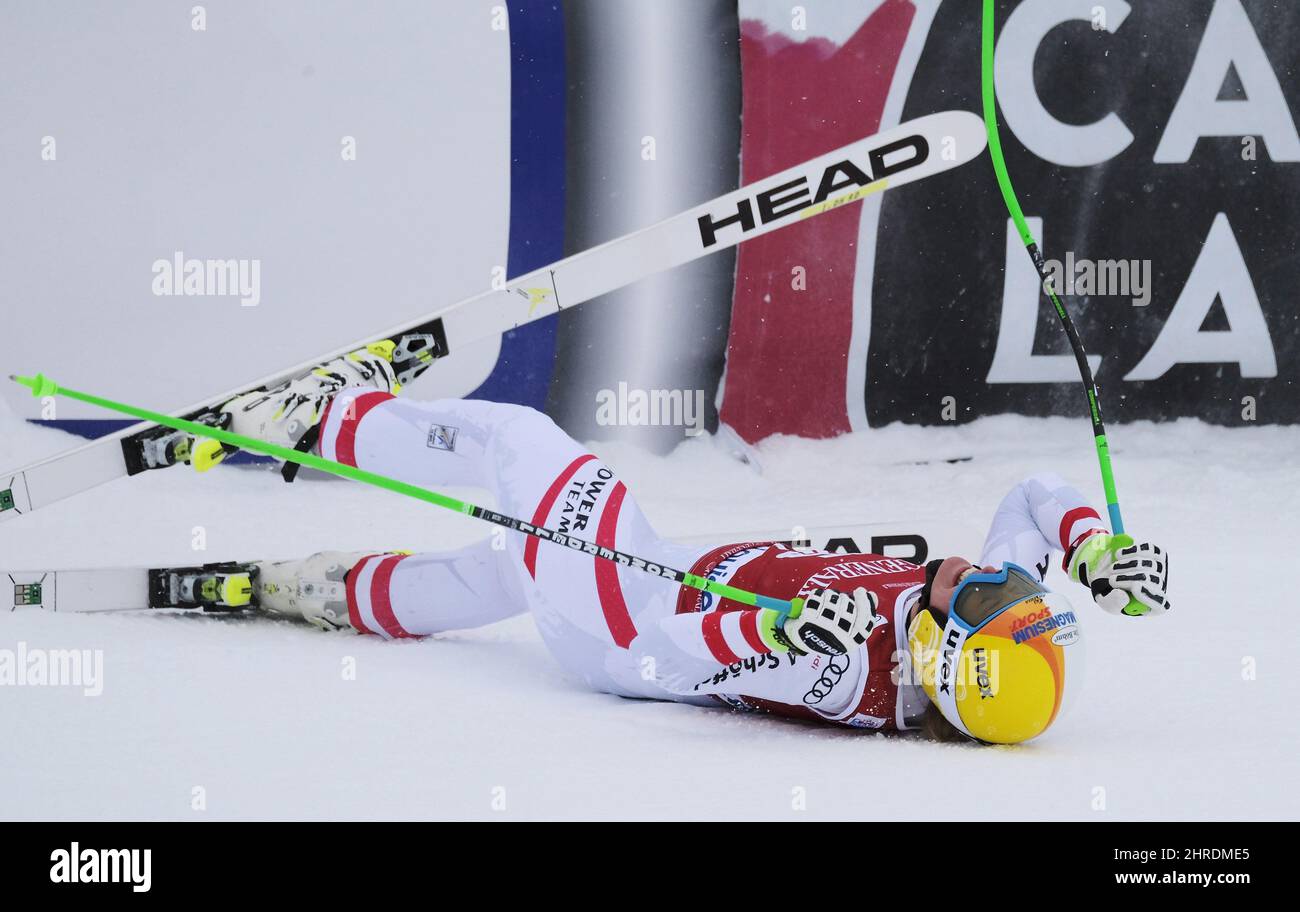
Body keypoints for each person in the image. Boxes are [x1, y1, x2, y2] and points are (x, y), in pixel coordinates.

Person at [220, 344, 1171, 744]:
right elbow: (1037, 496)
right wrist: (1093, 552)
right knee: (512, 568)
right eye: (1016, 597)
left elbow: (676, 647)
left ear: (939, 652)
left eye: (981, 602)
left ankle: (318, 417)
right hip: (647, 583)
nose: (981, 575)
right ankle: (333, 592)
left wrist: (782, 642)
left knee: (517, 444)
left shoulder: (845, 676)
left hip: (626, 625)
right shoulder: (975, 628)